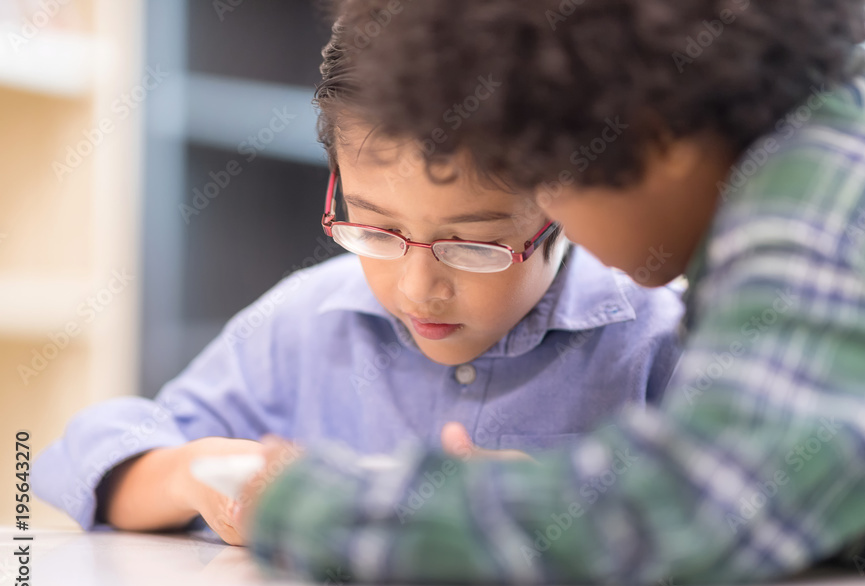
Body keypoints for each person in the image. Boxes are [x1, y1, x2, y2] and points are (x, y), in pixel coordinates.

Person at [239, 0, 865, 585]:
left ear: (655, 136)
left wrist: (306, 502)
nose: (550, 213)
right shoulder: (858, 161)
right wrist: (550, 495)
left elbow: (684, 515)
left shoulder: (833, 224)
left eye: (544, 174)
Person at [31, 17, 686, 544]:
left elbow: (732, 523)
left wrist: (572, 502)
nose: (418, 287)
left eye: (471, 245)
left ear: (564, 208)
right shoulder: (303, 324)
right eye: (376, 230)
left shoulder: (656, 342)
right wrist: (189, 477)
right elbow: (91, 450)